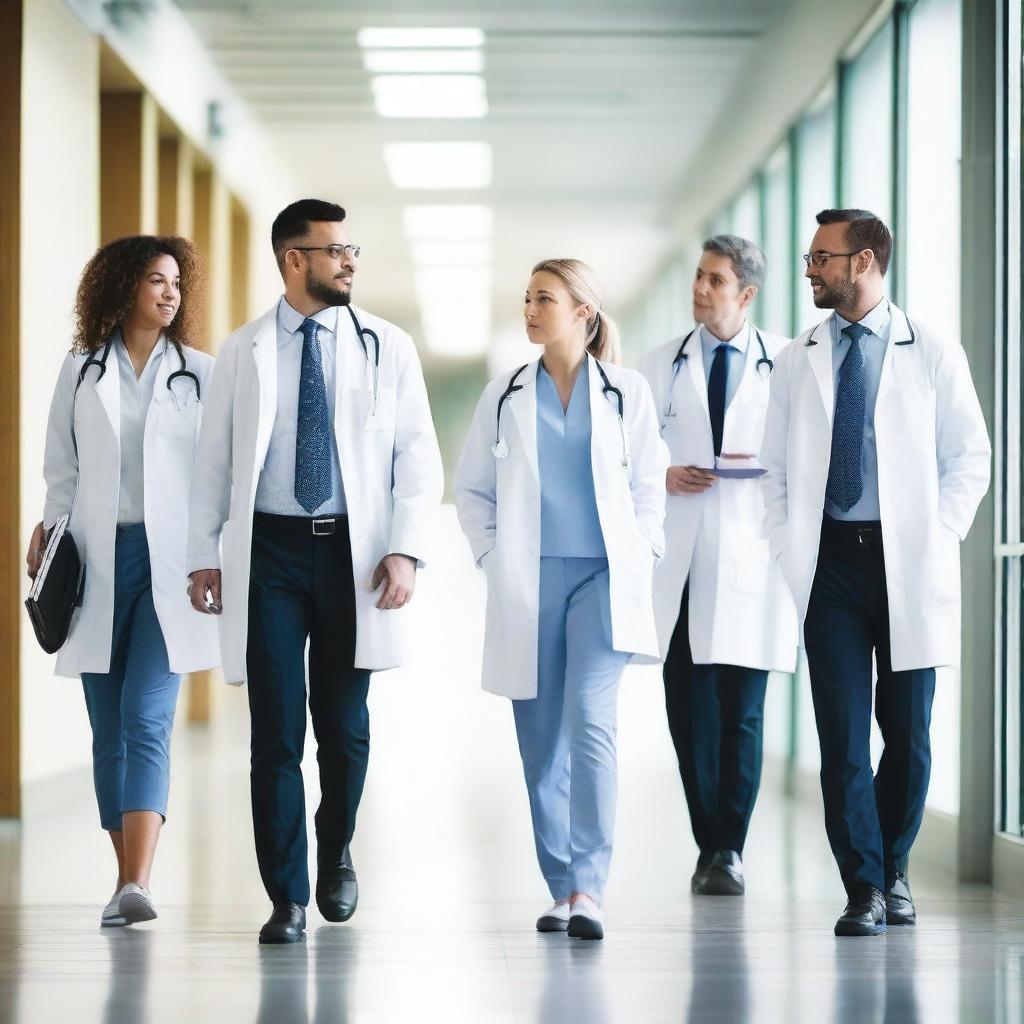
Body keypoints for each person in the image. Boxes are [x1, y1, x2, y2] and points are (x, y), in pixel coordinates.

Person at [186, 199, 443, 944]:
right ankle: (287, 896)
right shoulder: (244, 350)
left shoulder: (385, 346)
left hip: (350, 557)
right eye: (334, 251)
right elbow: (215, 458)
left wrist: (405, 548)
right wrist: (207, 550)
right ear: (293, 259)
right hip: (269, 552)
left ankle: (336, 851)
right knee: (275, 731)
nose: (349, 261)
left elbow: (416, 459)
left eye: (350, 249)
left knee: (345, 729)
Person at [760, 209, 990, 936]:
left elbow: (970, 458)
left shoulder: (932, 350)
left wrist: (936, 534)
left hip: (907, 563)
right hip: (829, 563)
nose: (809, 269)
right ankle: (862, 888)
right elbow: (773, 469)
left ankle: (894, 867)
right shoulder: (799, 357)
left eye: (822, 257)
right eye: (810, 256)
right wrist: (783, 539)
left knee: (909, 735)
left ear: (864, 263)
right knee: (843, 738)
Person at [455, 258, 668, 940]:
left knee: (592, 724)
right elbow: (473, 489)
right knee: (541, 742)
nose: (529, 309)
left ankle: (591, 888)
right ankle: (560, 887)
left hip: (604, 579)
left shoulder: (625, 392)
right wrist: (493, 556)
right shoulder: (506, 393)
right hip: (530, 579)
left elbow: (650, 484)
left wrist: (645, 547)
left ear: (583, 311)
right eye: (525, 299)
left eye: (543, 298)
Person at [28, 235, 219, 928]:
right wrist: (48, 530)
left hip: (170, 565)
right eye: (154, 280)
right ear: (120, 287)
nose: (169, 293)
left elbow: (215, 476)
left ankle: (137, 881)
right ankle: (124, 876)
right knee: (106, 730)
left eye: (175, 282)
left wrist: (214, 556)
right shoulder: (80, 370)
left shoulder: (201, 371)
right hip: (95, 561)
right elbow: (62, 469)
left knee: (145, 717)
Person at [641, 235, 797, 897]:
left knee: (744, 713)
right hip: (680, 560)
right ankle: (712, 840)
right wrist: (661, 471)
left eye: (715, 280)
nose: (700, 289)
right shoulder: (656, 366)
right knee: (690, 712)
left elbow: (804, 457)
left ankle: (727, 847)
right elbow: (624, 456)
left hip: (752, 560)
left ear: (747, 294)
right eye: (699, 277)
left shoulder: (788, 364)